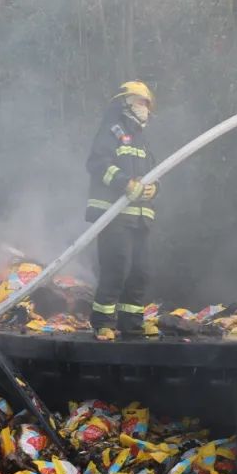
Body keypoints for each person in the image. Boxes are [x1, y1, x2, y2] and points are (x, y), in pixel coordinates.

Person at [85, 80, 159, 341]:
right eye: (140, 102)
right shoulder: (112, 131)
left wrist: (154, 188)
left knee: (141, 270)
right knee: (116, 267)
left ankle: (132, 324)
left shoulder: (142, 140)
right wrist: (125, 184)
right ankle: (103, 323)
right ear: (125, 103)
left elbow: (155, 172)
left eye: (147, 103)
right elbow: (97, 164)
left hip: (140, 217)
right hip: (113, 215)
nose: (145, 107)